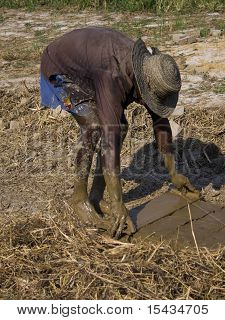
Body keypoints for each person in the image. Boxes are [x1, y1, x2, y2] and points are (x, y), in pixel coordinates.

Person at [40, 27, 198, 238]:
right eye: (151, 100)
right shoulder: (113, 76)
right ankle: (78, 198)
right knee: (94, 126)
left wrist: (174, 174)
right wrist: (118, 204)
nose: (151, 105)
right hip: (60, 67)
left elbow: (160, 123)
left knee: (120, 127)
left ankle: (96, 197)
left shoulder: (149, 73)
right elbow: (110, 142)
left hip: (90, 65)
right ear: (144, 86)